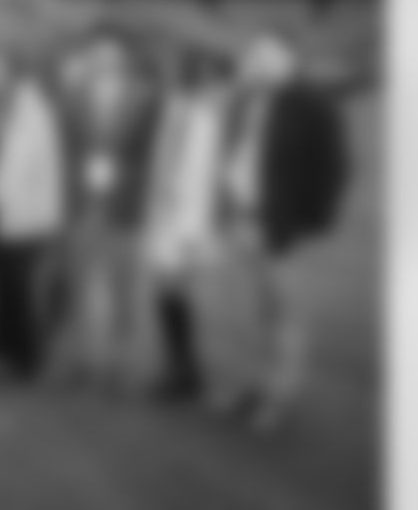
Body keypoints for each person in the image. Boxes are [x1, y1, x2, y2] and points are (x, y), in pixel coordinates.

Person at [215, 33, 349, 430]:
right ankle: (253, 385)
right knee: (250, 312)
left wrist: (308, 221)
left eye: (265, 56)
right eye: (253, 56)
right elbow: (234, 152)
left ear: (287, 59)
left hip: (279, 226)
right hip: (241, 218)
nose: (256, 63)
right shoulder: (245, 99)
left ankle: (279, 396)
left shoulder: (311, 102)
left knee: (283, 313)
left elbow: (333, 166)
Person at [60, 32, 159, 396]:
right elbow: (66, 147)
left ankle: (120, 367)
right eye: (98, 55)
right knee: (79, 288)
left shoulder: (145, 98)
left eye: (111, 55)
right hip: (83, 206)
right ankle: (82, 362)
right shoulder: (73, 96)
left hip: (125, 207)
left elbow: (150, 155)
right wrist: (81, 172)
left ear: (123, 59)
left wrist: (120, 173)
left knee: (123, 291)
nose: (104, 61)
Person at [140, 47, 232, 403]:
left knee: (175, 296)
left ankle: (185, 375)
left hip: (184, 221)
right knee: (168, 296)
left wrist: (189, 228)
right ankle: (181, 371)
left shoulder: (200, 115)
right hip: (173, 217)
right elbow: (165, 166)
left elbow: (196, 176)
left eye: (176, 71)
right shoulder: (183, 110)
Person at [0, 55, 67, 382]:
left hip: (25, 213)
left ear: (11, 74)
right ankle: (1, 350)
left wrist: (49, 215)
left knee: (21, 288)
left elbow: (47, 166)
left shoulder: (34, 111)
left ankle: (26, 357)